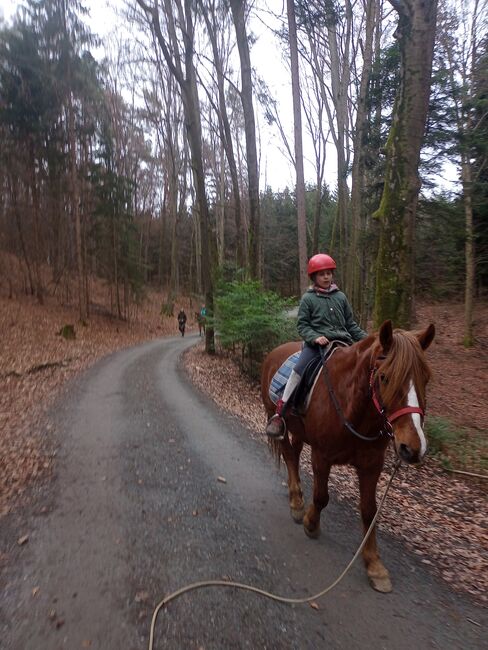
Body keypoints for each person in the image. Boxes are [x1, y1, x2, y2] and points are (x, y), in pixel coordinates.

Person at [266, 253, 368, 439]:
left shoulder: (341, 297)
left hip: (343, 343)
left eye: (329, 273)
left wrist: (369, 340)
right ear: (314, 277)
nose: (326, 277)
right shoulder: (308, 299)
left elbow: (351, 325)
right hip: (317, 346)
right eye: (322, 274)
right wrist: (314, 337)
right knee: (299, 369)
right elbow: (303, 325)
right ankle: (280, 412)